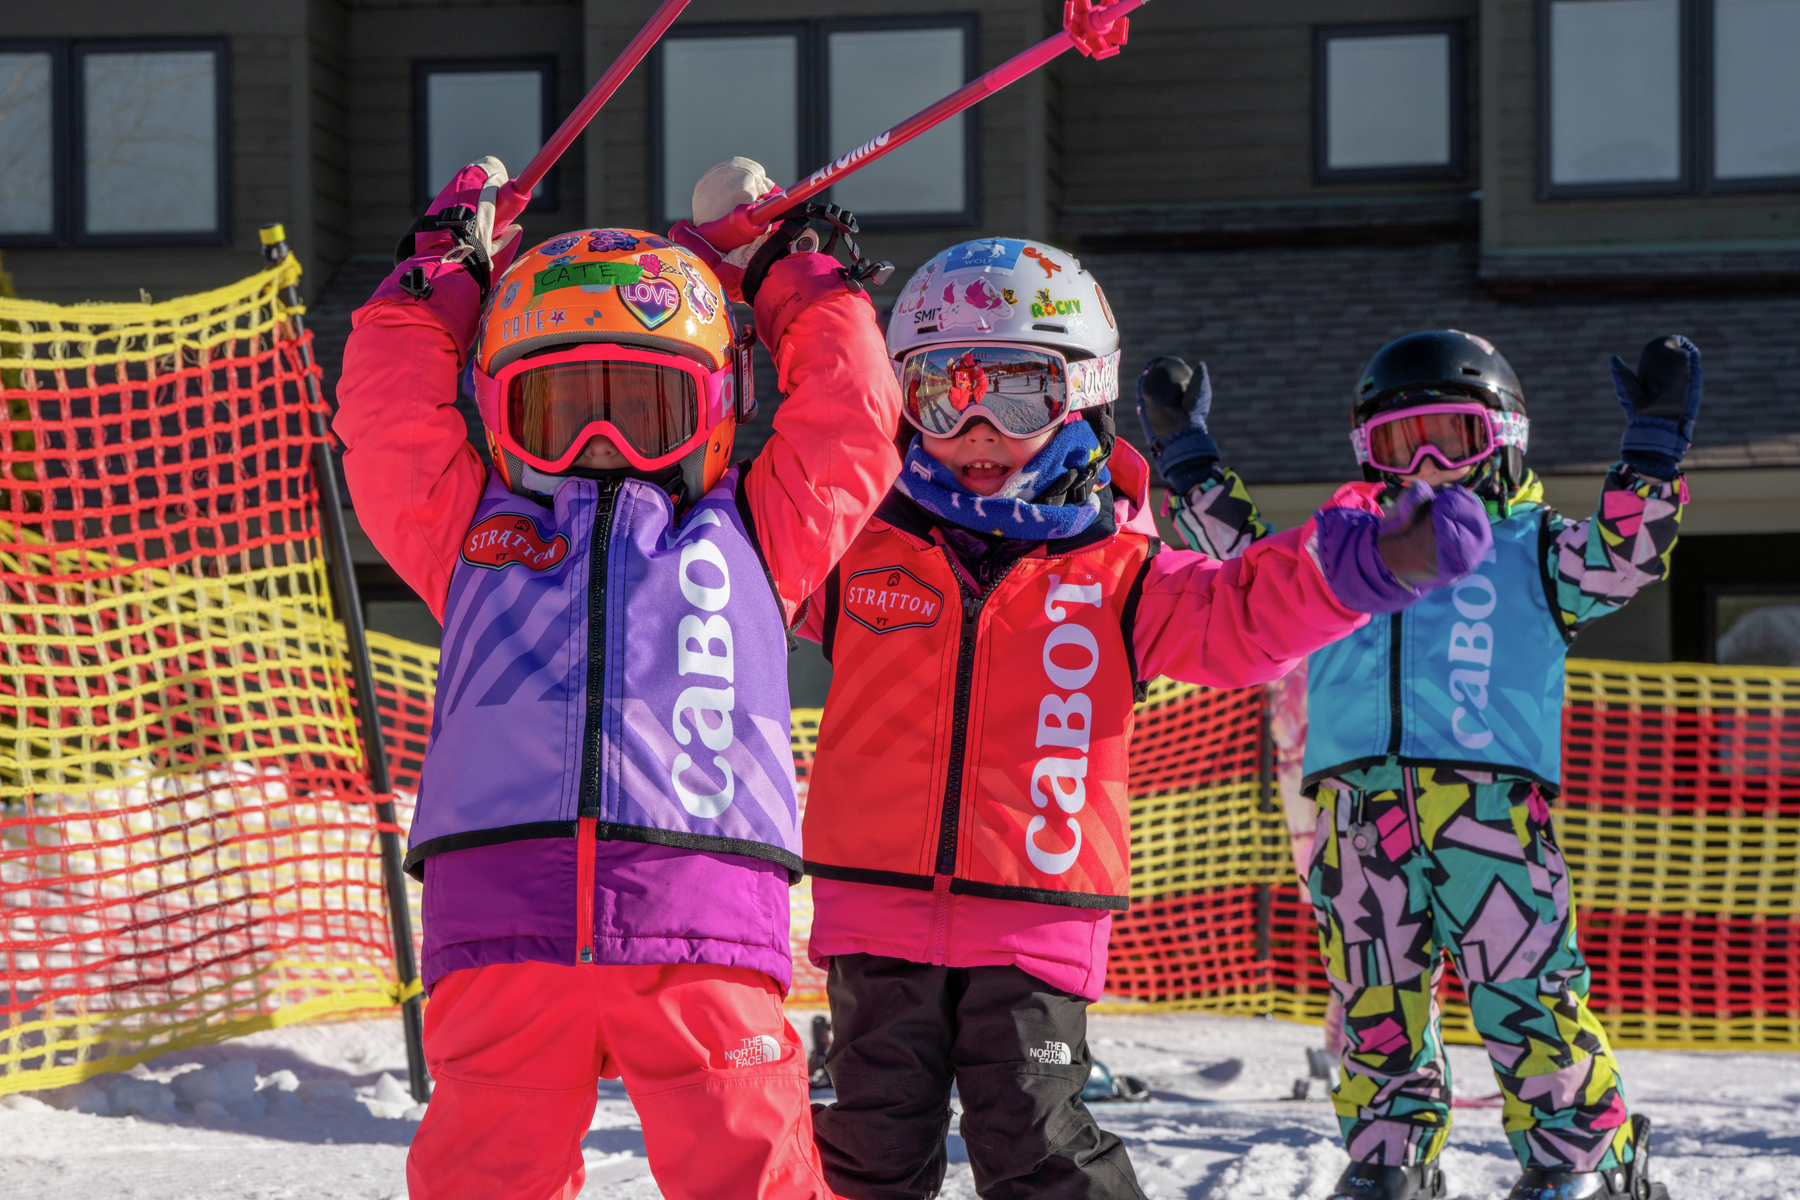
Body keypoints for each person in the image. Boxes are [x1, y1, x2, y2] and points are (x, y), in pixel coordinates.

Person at [793, 238, 1494, 1200]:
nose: (981, 426)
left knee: (1033, 1136)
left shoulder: (1118, 572)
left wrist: (1362, 562)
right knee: (867, 1146)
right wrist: (798, 299)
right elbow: (771, 508)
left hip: (1033, 915)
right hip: (875, 910)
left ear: (1081, 392)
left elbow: (1240, 615)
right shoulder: (855, 543)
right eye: (944, 394)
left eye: (1018, 391)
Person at [334, 155, 902, 1200]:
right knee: (482, 1179)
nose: (601, 447)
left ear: (714, 411)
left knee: (752, 1172)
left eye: (644, 411)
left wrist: (797, 275)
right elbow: (387, 420)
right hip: (504, 921)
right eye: (560, 414)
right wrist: (437, 283)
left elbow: (851, 416)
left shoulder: (754, 533)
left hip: (703, 915)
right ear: (503, 416)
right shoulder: (471, 534)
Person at [1140, 331, 1699, 1200]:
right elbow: (1243, 570)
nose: (1432, 467)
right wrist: (1187, 456)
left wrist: (1653, 446)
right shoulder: (1345, 556)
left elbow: (1626, 559)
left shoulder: (1537, 549)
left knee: (1527, 994)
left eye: (1455, 438)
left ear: (1504, 440)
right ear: (1372, 455)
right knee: (1375, 1002)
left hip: (1492, 816)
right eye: (1404, 447)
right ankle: (1388, 1160)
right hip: (1358, 816)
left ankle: (1582, 1159)